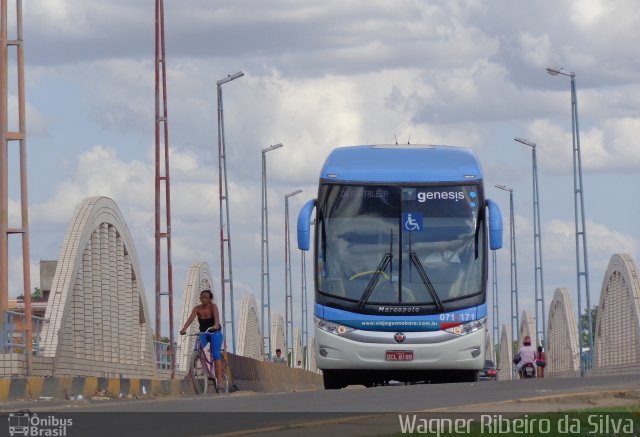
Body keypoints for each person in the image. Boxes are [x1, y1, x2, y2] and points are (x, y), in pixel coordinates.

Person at [180, 289, 224, 388]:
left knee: (216, 353)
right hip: (204, 333)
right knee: (196, 349)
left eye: (206, 298)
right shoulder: (197, 308)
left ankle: (220, 380)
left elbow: (216, 317)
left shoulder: (213, 306)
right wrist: (184, 328)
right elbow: (191, 318)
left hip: (215, 333)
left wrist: (216, 324)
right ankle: (191, 373)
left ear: (210, 299)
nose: (203, 299)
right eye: (202, 297)